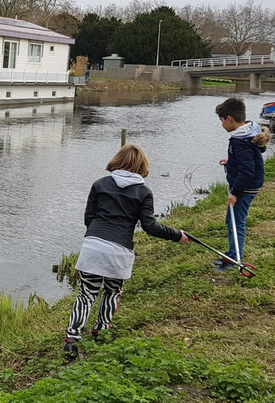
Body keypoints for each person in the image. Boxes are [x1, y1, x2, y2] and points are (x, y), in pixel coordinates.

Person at [63, 144, 190, 359]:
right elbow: (150, 226)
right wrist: (177, 235)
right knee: (112, 292)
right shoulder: (143, 192)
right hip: (120, 251)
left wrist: (97, 237)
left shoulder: (100, 184)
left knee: (86, 295)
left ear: (117, 160)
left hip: (93, 246)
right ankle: (100, 333)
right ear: (142, 166)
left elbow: (88, 218)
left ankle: (72, 339)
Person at [213, 97, 270, 272]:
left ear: (229, 119)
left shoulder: (241, 140)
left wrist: (235, 193)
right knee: (231, 220)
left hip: (245, 188)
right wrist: (231, 161)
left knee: (236, 222)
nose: (222, 124)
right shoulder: (247, 133)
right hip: (247, 185)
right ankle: (232, 252)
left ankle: (234, 259)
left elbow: (247, 171)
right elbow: (248, 160)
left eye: (222, 121)